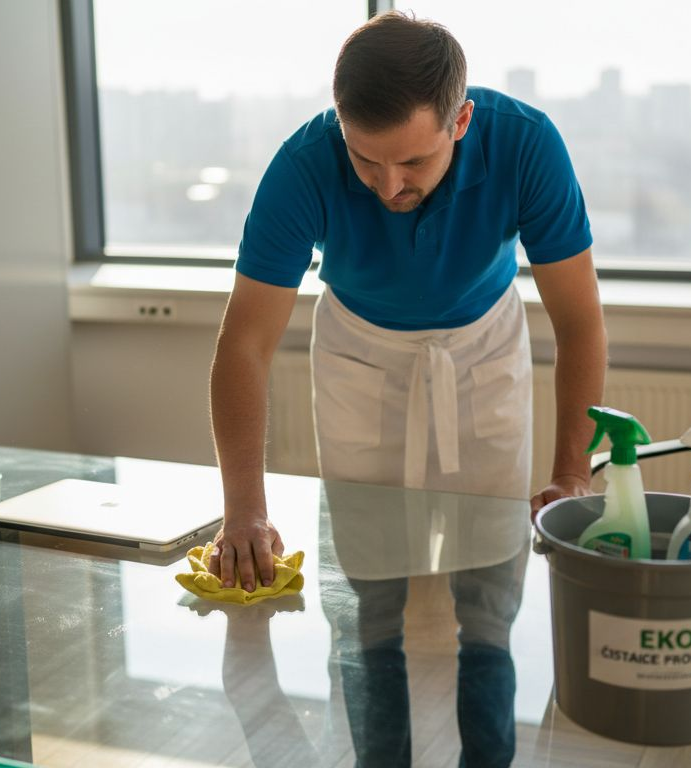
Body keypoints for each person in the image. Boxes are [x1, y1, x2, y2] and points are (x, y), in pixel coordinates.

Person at [208, 11, 606, 591]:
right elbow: (243, 344)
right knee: (365, 586)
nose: (389, 186)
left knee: (491, 584)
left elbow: (579, 322)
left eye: (414, 161)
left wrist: (572, 476)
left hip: (484, 349)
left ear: (462, 120)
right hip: (358, 353)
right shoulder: (302, 167)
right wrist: (244, 509)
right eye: (365, 159)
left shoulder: (527, 144)